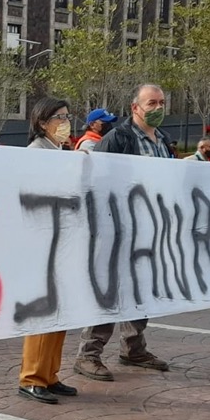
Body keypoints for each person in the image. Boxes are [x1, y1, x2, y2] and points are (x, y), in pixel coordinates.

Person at [75, 84, 174, 381]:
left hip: (152, 227)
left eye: (161, 102)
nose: (158, 108)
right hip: (119, 227)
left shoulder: (163, 141)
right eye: (151, 103)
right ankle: (88, 355)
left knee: (142, 289)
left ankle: (133, 348)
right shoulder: (118, 138)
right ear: (135, 108)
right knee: (110, 291)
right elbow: (96, 182)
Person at [17, 96, 81, 405]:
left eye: (67, 116)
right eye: (59, 117)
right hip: (43, 242)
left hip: (62, 241)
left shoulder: (60, 152)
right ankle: (32, 377)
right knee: (44, 311)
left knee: (60, 313)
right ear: (43, 122)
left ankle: (50, 374)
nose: (65, 122)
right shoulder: (36, 154)